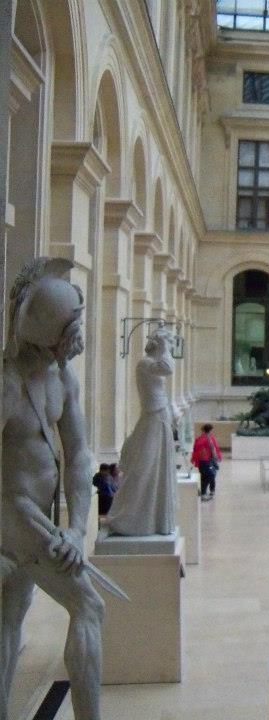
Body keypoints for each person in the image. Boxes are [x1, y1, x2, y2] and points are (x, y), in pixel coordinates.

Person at [1, 258, 104, 720]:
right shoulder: (7, 384)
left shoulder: (62, 378)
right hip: (14, 513)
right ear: (51, 331)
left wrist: (76, 529)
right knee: (89, 605)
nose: (78, 337)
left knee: (10, 617)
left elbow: (79, 456)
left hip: (40, 515)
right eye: (71, 326)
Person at [105, 328, 178, 535]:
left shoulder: (150, 363)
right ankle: (127, 517)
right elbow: (168, 368)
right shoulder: (145, 363)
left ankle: (154, 518)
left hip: (159, 416)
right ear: (159, 344)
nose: (170, 349)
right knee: (144, 467)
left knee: (155, 467)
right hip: (153, 418)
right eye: (168, 344)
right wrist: (164, 345)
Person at [192, 424, 223, 501]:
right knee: (210, 475)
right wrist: (217, 457)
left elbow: (196, 449)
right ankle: (203, 493)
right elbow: (214, 448)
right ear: (210, 430)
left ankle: (204, 492)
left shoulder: (200, 438)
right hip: (206, 460)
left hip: (203, 460)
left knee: (205, 476)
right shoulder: (208, 439)